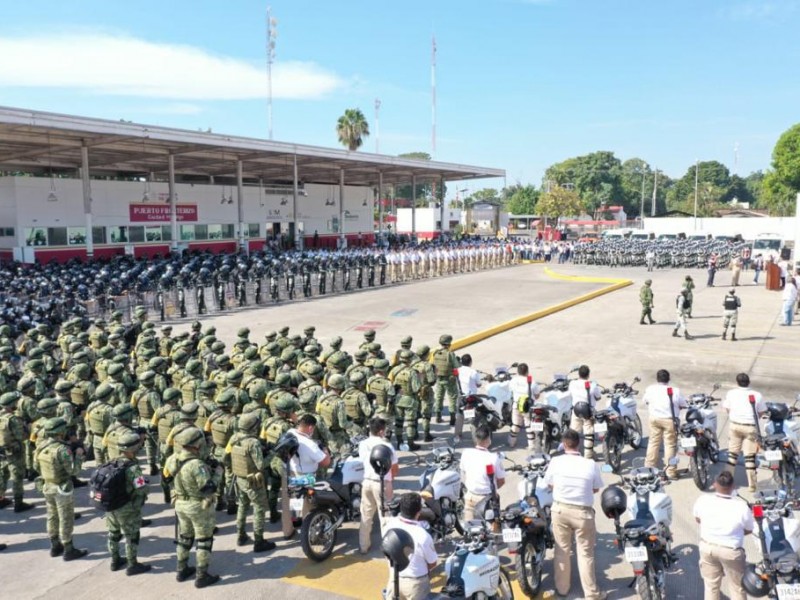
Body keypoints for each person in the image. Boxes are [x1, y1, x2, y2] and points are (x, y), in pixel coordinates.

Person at [543, 429, 605, 600]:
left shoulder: (555, 461)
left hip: (560, 511)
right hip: (583, 514)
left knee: (561, 550)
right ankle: (592, 594)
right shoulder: (590, 464)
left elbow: (549, 484)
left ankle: (562, 590)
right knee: (585, 554)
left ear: (563, 444)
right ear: (579, 444)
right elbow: (596, 488)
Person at [163, 427, 221, 588]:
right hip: (197, 506)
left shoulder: (172, 459)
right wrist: (218, 473)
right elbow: (208, 488)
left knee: (185, 537)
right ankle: (202, 576)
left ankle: (181, 570)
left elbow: (165, 478)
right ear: (197, 444)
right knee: (204, 540)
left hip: (180, 504)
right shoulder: (197, 465)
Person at [33, 417, 88, 560]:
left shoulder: (41, 446)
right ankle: (68, 549)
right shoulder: (62, 449)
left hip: (47, 486)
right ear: (60, 432)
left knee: (52, 516)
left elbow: (35, 467)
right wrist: (79, 456)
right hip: (62, 488)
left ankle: (54, 545)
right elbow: (73, 471)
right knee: (66, 517)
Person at [693, 471, 753, 600]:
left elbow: (698, 519)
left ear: (715, 484)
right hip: (731, 552)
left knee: (711, 586)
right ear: (733, 486)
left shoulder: (703, 500)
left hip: (707, 548)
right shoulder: (741, 506)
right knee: (737, 588)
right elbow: (749, 529)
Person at [225, 412, 277, 553]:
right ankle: (259, 541)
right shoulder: (253, 443)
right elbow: (261, 465)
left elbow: (227, 457)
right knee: (259, 509)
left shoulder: (234, 438)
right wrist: (272, 454)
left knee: (242, 506)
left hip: (240, 478)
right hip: (254, 481)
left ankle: (241, 535)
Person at [104, 431, 151, 575]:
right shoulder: (132, 467)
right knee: (131, 535)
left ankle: (115, 560)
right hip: (126, 507)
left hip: (111, 505)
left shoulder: (112, 462)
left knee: (113, 533)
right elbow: (141, 489)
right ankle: (132, 564)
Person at [383, 492, 438, 600]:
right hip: (416, 584)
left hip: (394, 579)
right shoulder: (423, 535)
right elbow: (432, 563)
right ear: (418, 513)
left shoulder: (389, 525)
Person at [358, 417, 398, 554]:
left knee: (366, 515)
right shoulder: (387, 446)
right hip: (382, 483)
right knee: (385, 516)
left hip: (366, 482)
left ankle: (363, 546)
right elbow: (394, 468)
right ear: (381, 431)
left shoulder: (363, 444)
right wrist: (389, 481)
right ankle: (388, 548)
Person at [722, 373, 766, 491]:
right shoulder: (757, 395)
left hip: (735, 426)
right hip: (750, 428)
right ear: (749, 382)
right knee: (750, 458)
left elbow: (727, 409)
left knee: (732, 455)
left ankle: (726, 482)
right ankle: (752, 485)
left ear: (737, 382)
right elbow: (761, 412)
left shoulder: (731, 393)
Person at [643, 369, 687, 480]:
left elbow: (646, 401)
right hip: (669, 421)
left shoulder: (650, 389)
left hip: (654, 419)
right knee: (670, 445)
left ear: (657, 379)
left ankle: (649, 467)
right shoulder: (674, 390)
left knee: (653, 442)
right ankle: (670, 471)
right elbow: (683, 404)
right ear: (669, 379)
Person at [460, 424, 505, 521]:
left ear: (476, 439)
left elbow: (464, 472)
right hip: (487, 501)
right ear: (488, 439)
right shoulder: (493, 458)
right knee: (493, 531)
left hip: (470, 497)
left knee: (469, 529)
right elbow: (501, 481)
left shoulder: (466, 453)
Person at [0, 391, 35, 512]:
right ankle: (18, 503)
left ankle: (1, 499)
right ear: (11, 405)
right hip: (15, 452)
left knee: (3, 475)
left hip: (2, 451)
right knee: (17, 476)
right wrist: (28, 430)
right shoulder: (13, 419)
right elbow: (21, 436)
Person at [568, 365, 602, 459]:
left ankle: (572, 454)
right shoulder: (593, 385)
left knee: (573, 432)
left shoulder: (572, 383)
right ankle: (588, 456)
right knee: (588, 433)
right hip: (588, 412)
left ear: (578, 374)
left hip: (576, 410)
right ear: (588, 375)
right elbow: (598, 397)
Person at [508, 362, 539, 450]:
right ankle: (531, 445)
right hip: (528, 407)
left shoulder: (513, 380)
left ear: (517, 371)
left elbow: (510, 390)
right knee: (529, 426)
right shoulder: (532, 381)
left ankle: (511, 443)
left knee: (516, 425)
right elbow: (537, 395)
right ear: (527, 371)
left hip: (516, 406)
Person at [430, 334, 460, 426]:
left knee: (439, 397)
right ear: (448, 344)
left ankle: (438, 417)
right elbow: (457, 366)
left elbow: (433, 365)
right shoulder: (450, 354)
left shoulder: (435, 353)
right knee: (452, 397)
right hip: (449, 379)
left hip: (439, 378)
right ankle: (452, 419)